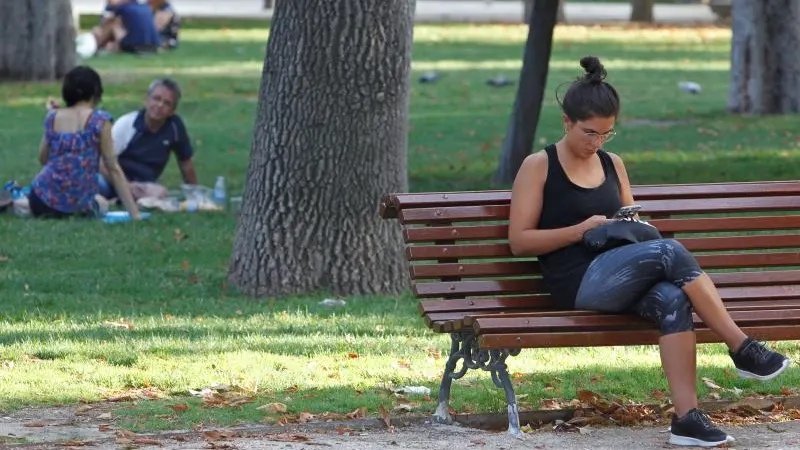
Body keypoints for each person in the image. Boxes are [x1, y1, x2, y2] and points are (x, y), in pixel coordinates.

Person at [508, 56, 790, 447]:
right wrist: (580, 230)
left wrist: (631, 226)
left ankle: (687, 419)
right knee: (669, 251)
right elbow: (519, 241)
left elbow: (629, 218)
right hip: (575, 281)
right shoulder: (539, 165)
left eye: (607, 134)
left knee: (673, 298)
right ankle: (741, 347)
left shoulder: (613, 164)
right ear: (566, 122)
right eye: (590, 133)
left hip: (621, 271)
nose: (597, 143)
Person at [29, 66, 140, 220]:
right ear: (95, 92)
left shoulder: (52, 117)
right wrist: (134, 214)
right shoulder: (100, 121)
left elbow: (43, 159)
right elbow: (113, 168)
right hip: (77, 205)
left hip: (40, 200)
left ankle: (17, 201)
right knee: (102, 204)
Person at [98, 77, 197, 200]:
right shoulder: (127, 123)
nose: (160, 105)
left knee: (161, 193)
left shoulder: (175, 127)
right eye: (156, 99)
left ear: (172, 111)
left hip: (143, 186)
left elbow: (185, 162)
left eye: (167, 103)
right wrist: (126, 186)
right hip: (113, 180)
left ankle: (121, 200)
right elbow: (102, 163)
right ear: (147, 100)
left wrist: (194, 194)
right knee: (98, 185)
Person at [92, 0, 161, 54]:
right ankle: (104, 46)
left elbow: (106, 24)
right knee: (118, 26)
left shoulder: (122, 7)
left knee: (113, 25)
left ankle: (96, 47)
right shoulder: (145, 7)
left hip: (134, 46)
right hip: (154, 46)